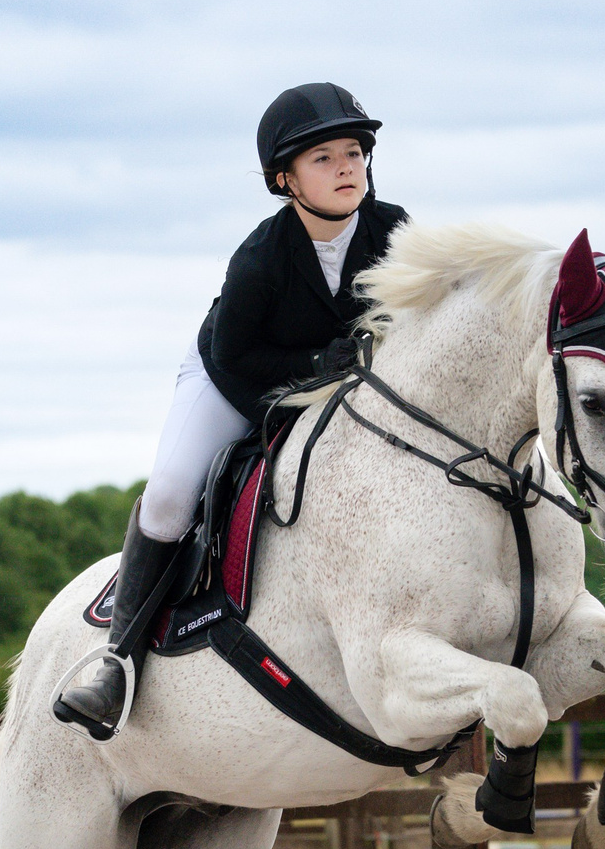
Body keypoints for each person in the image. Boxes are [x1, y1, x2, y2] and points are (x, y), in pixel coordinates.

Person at [53, 82, 411, 738]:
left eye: (354, 153)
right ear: (286, 179)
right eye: (324, 158)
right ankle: (116, 665)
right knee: (166, 496)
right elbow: (237, 358)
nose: (346, 168)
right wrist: (298, 392)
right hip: (231, 378)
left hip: (345, 391)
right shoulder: (260, 257)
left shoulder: (395, 232)